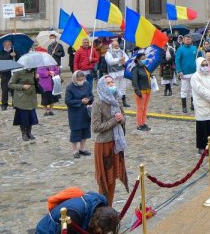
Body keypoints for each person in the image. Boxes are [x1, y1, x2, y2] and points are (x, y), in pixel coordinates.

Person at [91, 74, 127, 205]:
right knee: (105, 181)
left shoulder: (117, 98)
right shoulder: (98, 103)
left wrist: (121, 118)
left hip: (116, 144)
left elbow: (124, 117)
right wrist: (114, 120)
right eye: (108, 83)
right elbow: (95, 127)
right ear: (102, 86)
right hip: (104, 145)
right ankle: (103, 211)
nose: (111, 85)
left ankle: (109, 207)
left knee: (113, 179)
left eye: (112, 82)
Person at [190, 55, 210, 155]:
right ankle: (202, 146)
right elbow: (201, 91)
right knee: (203, 127)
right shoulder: (195, 77)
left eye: (206, 64)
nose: (205, 66)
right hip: (202, 105)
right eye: (202, 65)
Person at [65, 71, 93, 158]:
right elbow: (68, 101)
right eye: (79, 80)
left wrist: (88, 99)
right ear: (75, 79)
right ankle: (75, 150)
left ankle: (82, 148)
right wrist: (80, 101)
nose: (81, 81)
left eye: (82, 79)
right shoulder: (70, 87)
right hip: (75, 113)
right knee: (76, 131)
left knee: (85, 130)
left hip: (85, 111)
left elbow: (91, 95)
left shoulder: (87, 84)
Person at [9, 67, 39, 142]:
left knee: (31, 115)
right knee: (23, 116)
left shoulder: (33, 71)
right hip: (21, 97)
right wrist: (22, 86)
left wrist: (37, 78)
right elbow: (10, 84)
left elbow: (36, 84)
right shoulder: (18, 72)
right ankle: (24, 133)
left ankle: (29, 132)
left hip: (31, 97)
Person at [130, 49, 153, 132]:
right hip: (141, 91)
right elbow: (134, 81)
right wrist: (137, 91)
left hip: (148, 90)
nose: (145, 60)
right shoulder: (135, 69)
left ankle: (143, 123)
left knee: (145, 108)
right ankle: (139, 124)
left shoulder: (145, 67)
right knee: (140, 108)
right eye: (143, 58)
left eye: (145, 58)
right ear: (138, 60)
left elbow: (147, 76)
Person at [174, 34, 198, 114]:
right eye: (187, 39)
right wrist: (179, 71)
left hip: (194, 73)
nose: (188, 40)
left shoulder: (194, 48)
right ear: (183, 40)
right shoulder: (180, 49)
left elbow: (199, 59)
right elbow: (177, 60)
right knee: (184, 90)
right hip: (184, 74)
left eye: (189, 39)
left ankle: (193, 105)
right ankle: (184, 107)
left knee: (193, 90)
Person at [103, 39, 128, 107]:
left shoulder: (121, 51)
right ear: (112, 46)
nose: (117, 46)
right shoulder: (109, 53)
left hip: (122, 72)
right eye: (115, 45)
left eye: (117, 45)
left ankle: (123, 101)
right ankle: (115, 101)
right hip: (113, 72)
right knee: (114, 87)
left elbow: (127, 58)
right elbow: (110, 61)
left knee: (123, 87)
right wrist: (119, 59)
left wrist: (124, 61)